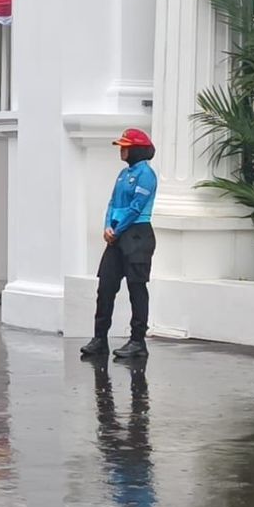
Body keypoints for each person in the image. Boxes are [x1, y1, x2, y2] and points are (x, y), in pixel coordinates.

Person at [80, 128, 158, 360]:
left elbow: (136, 206)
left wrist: (118, 228)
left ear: (136, 150)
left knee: (136, 288)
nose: (121, 151)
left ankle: (137, 341)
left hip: (137, 235)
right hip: (116, 234)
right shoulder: (123, 174)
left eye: (125, 147)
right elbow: (113, 201)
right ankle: (99, 339)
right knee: (105, 287)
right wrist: (107, 226)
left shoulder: (146, 174)